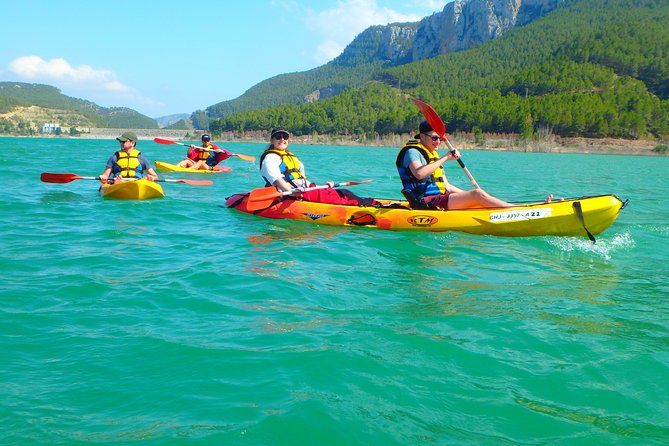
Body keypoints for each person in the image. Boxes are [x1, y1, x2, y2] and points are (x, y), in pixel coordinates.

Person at [396, 121, 524, 210]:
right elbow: (419, 174)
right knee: (477, 195)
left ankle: (511, 208)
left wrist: (472, 196)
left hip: (438, 199)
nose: (438, 142)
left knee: (478, 197)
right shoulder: (412, 152)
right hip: (424, 201)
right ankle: (517, 211)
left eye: (440, 138)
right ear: (422, 136)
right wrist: (446, 157)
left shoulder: (433, 155)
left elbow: (447, 187)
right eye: (434, 138)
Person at [259, 127, 378, 206]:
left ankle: (372, 203)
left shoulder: (291, 157)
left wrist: (325, 186)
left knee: (344, 192)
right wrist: (290, 191)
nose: (282, 139)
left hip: (305, 188)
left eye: (285, 137)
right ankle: (367, 206)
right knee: (337, 199)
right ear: (272, 140)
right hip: (291, 192)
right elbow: (276, 179)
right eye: (278, 137)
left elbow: (302, 178)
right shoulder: (270, 158)